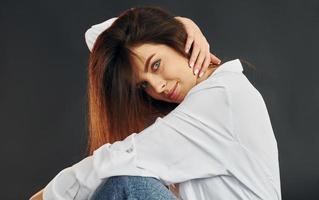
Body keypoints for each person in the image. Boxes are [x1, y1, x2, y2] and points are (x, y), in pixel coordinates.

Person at [30, 6, 281, 200]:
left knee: (127, 185)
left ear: (177, 39)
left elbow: (119, 158)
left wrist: (47, 196)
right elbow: (96, 37)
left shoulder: (221, 97)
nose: (157, 87)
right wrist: (181, 23)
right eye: (143, 85)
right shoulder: (216, 94)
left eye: (156, 65)